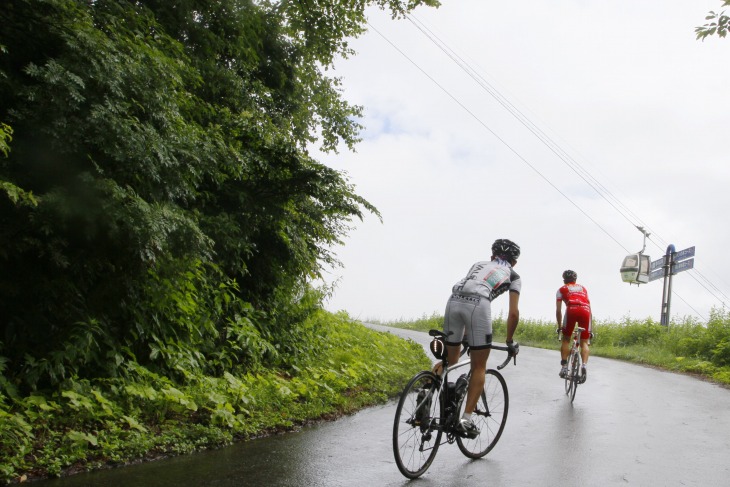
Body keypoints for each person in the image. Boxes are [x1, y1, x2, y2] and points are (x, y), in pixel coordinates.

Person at [442, 238, 521, 438]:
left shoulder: (478, 264)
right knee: (478, 366)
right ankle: (465, 420)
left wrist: (466, 335)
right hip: (479, 304)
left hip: (453, 300)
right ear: (514, 262)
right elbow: (513, 314)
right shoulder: (514, 275)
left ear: (491, 256)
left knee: (450, 361)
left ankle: (428, 387)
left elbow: (468, 290)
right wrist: (510, 341)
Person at [556, 269, 592, 382]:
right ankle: (584, 365)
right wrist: (591, 331)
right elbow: (589, 304)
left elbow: (558, 311)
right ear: (575, 280)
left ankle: (564, 367)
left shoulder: (562, 289)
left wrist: (560, 327)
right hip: (586, 310)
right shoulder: (583, 288)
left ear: (564, 281)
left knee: (566, 339)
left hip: (572, 309)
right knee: (584, 342)